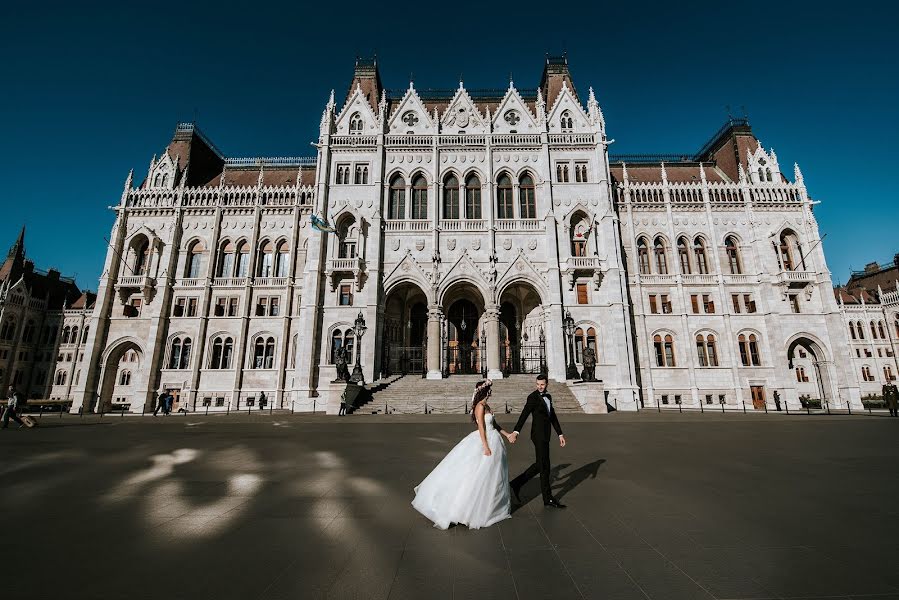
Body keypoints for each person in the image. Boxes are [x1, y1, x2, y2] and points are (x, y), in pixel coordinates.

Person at [412, 380, 515, 529]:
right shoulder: (479, 407)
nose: (491, 391)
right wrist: (485, 446)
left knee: (492, 474)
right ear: (484, 391)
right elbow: (481, 427)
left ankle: (490, 503)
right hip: (485, 440)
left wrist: (507, 434)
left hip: (494, 438)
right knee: (477, 473)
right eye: (490, 389)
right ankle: (467, 508)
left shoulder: (486, 405)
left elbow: (494, 425)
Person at [509, 374, 568, 509]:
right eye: (537, 384)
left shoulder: (549, 397)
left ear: (547, 384)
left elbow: (552, 416)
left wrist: (560, 434)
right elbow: (524, 414)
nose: (539, 387)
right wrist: (516, 431)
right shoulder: (532, 397)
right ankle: (547, 498)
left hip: (545, 435)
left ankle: (516, 484)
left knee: (541, 464)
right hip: (538, 435)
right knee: (544, 467)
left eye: (542, 384)